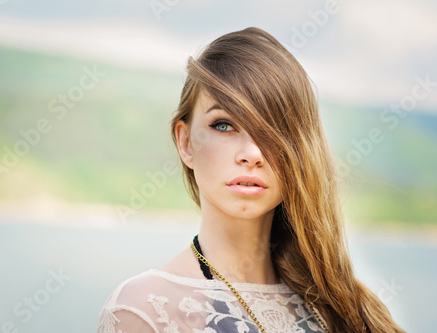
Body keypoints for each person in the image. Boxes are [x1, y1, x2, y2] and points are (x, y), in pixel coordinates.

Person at [96, 27, 405, 333]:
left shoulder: (348, 310)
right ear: (186, 142)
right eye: (223, 125)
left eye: (273, 129)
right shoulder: (143, 310)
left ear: (301, 150)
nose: (252, 153)